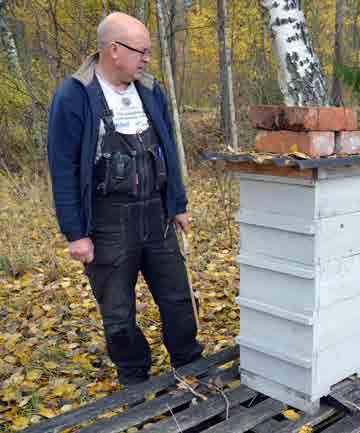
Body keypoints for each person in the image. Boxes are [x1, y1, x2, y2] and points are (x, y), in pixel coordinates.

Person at [47, 12, 203, 386]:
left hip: (156, 213)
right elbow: (62, 168)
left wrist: (177, 204)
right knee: (117, 312)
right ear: (114, 50)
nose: (147, 58)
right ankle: (134, 378)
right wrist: (75, 233)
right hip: (107, 220)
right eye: (141, 51)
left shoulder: (150, 89)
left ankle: (191, 367)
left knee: (179, 299)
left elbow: (168, 150)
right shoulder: (74, 95)